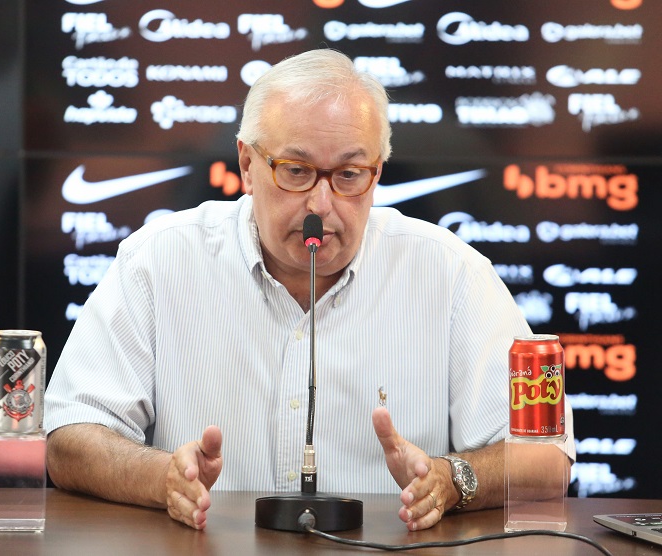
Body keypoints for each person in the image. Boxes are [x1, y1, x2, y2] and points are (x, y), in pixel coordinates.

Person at [44, 48, 575, 532]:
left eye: (348, 175)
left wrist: (451, 479)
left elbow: (547, 459)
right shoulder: (158, 261)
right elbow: (69, 437)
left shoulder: (451, 272)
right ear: (248, 165)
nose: (321, 204)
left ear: (378, 173)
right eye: (296, 171)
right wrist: (161, 478)